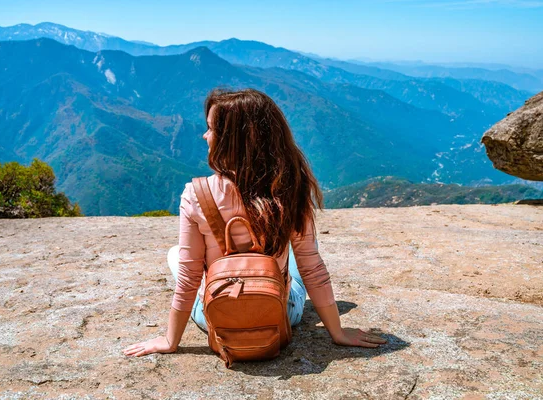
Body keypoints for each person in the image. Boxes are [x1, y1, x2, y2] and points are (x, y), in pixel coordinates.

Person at [123, 88, 386, 358]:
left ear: (230, 140)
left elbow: (189, 280)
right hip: (280, 316)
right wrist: (338, 333)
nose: (205, 135)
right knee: (301, 254)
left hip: (217, 320)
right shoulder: (292, 188)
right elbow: (313, 269)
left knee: (176, 254)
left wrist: (170, 340)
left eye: (211, 129)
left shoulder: (196, 195)